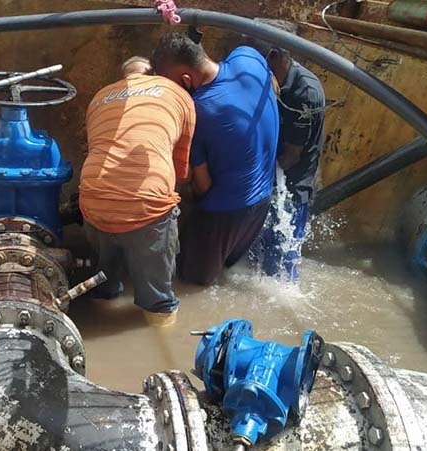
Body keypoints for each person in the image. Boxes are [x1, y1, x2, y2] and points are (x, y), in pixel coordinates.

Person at [151, 32, 280, 286]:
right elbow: (273, 87)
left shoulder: (197, 112)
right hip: (262, 201)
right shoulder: (248, 57)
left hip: (223, 214)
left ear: (186, 80)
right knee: (226, 276)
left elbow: (203, 185)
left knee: (191, 285)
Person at [79, 56, 196, 325]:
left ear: (123, 78)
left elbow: (99, 145)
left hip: (94, 199)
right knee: (159, 302)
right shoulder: (177, 93)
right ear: (154, 74)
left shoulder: (99, 97)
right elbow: (180, 169)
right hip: (146, 203)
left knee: (102, 281)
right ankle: (160, 329)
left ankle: (102, 304)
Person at [246, 20, 326, 281]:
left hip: (290, 187)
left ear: (274, 55)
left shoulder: (304, 93)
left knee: (282, 264)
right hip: (267, 181)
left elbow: (291, 157)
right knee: (256, 260)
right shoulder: (267, 80)